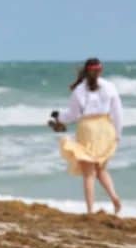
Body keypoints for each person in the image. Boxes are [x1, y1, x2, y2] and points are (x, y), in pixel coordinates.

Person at [52, 58, 123, 215]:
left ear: (85, 71)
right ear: (100, 70)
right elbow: (118, 113)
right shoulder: (110, 87)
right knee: (102, 169)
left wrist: (58, 118)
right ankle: (114, 197)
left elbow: (72, 115)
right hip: (106, 127)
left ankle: (90, 210)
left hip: (88, 129)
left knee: (89, 174)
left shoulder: (79, 90)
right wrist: (118, 134)